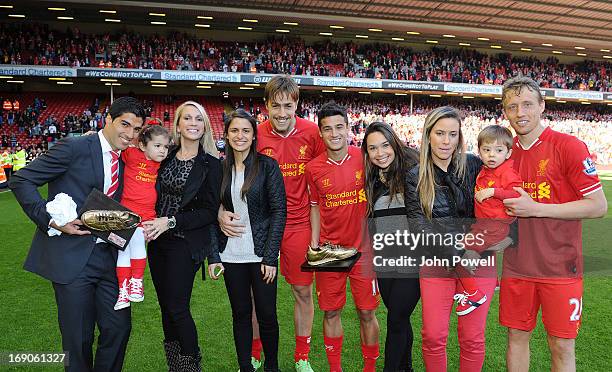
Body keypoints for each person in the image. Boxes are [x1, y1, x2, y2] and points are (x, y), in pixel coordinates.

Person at [9, 96, 146, 372]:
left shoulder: (128, 158)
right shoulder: (74, 147)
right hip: (72, 259)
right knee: (77, 340)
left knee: (119, 328)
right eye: (125, 124)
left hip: (110, 258)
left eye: (136, 129)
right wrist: (51, 221)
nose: (130, 134)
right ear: (107, 120)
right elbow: (21, 179)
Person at [499, 76, 607, 372]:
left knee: (561, 345)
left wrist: (536, 208)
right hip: (517, 266)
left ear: (542, 106)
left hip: (560, 267)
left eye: (527, 105)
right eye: (512, 106)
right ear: (504, 112)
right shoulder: (503, 155)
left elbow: (598, 206)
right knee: (516, 337)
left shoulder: (568, 146)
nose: (520, 112)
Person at [219, 75, 325, 371]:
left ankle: (302, 356)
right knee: (255, 296)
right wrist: (218, 212)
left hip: (299, 225)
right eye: (275, 106)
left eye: (287, 106)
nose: (281, 112)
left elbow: (321, 178)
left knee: (302, 291)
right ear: (266, 105)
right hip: (260, 227)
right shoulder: (255, 134)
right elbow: (223, 178)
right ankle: (254, 352)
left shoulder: (313, 133)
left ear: (297, 105)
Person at [404, 106, 496, 372]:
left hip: (478, 261)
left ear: (460, 137)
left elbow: (496, 212)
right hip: (437, 263)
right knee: (433, 336)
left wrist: (476, 249)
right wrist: (458, 253)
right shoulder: (415, 176)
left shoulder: (475, 165)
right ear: (428, 135)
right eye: (440, 133)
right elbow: (419, 226)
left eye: (452, 134)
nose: (446, 141)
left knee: (472, 338)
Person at [142, 101, 221, 372]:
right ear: (177, 124)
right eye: (187, 118)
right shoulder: (164, 155)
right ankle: (175, 366)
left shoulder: (211, 164)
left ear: (205, 126)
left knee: (177, 307)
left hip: (184, 242)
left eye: (199, 119)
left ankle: (190, 366)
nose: (193, 123)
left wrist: (171, 221)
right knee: (165, 307)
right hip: (155, 242)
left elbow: (209, 212)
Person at [208, 109, 286, 372]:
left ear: (254, 136)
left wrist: (270, 255)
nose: (240, 136)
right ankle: (245, 366)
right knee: (240, 315)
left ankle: (271, 366)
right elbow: (210, 213)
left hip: (261, 255)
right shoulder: (219, 169)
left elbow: (278, 211)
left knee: (267, 316)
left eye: (246, 131)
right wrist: (214, 256)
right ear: (227, 136)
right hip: (231, 255)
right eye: (234, 131)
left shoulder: (267, 166)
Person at [305, 101, 380, 372]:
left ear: (348, 128)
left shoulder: (365, 158)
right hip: (329, 250)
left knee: (367, 312)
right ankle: (335, 369)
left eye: (339, 127)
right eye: (327, 129)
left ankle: (369, 368)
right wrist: (314, 243)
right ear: (320, 133)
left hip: (365, 250)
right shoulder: (313, 169)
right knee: (331, 311)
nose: (334, 133)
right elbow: (315, 206)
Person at [362, 121, 421, 371]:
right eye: (373, 148)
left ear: (395, 144)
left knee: (396, 319)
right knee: (401, 319)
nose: (380, 153)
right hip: (385, 261)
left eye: (385, 145)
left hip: (413, 260)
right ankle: (406, 367)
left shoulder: (415, 172)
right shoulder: (372, 180)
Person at [453, 125, 523, 316]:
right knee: (458, 251)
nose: (492, 155)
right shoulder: (484, 170)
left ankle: (473, 294)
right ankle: (490, 283)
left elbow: (517, 194)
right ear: (479, 151)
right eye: (487, 150)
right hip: (483, 225)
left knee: (459, 255)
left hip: (494, 227)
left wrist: (494, 192)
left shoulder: (507, 173)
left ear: (508, 153)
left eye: (498, 150)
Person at [114, 125, 171, 310]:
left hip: (146, 216)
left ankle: (136, 281)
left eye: (165, 147)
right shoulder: (131, 155)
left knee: (137, 242)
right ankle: (124, 289)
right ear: (143, 146)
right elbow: (112, 145)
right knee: (122, 250)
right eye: (158, 146)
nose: (163, 150)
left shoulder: (162, 164)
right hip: (125, 213)